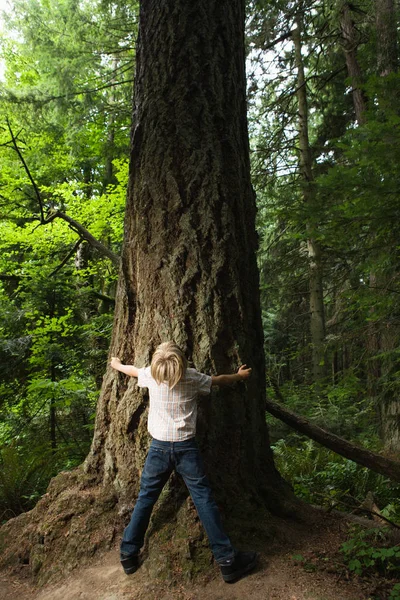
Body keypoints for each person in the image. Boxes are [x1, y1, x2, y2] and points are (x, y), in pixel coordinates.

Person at [110, 341, 257, 583]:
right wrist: (239, 376)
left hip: (158, 448)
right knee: (203, 499)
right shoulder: (192, 377)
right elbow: (220, 380)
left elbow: (133, 370)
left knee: (146, 498)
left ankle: (128, 553)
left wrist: (116, 364)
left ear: (158, 363)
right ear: (181, 362)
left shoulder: (151, 375)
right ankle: (227, 562)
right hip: (186, 448)